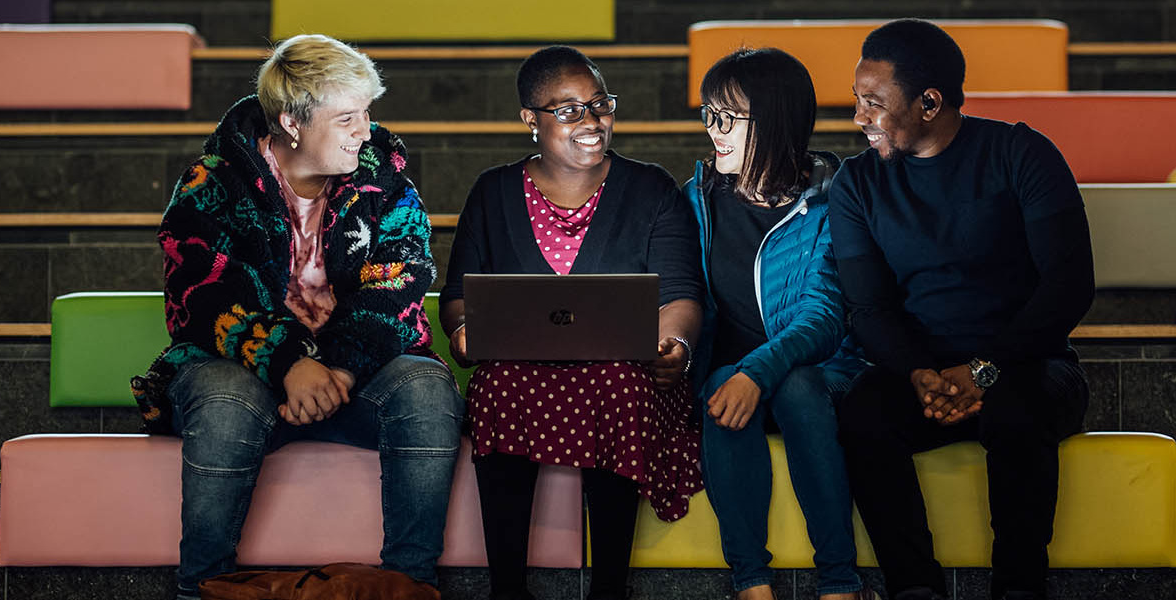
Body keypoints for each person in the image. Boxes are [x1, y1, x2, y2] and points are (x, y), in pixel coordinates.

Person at [130, 34, 463, 600]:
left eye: (367, 114)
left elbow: (399, 288)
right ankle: (201, 589)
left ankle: (412, 586)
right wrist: (289, 364)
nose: (365, 130)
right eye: (348, 118)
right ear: (292, 123)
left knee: (429, 388)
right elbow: (203, 295)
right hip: (244, 376)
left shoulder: (385, 184)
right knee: (227, 398)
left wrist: (338, 371)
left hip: (350, 379)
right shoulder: (212, 184)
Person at [827, 19, 1095, 600]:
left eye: (873, 104)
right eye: (857, 101)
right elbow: (869, 308)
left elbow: (1070, 286)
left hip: (1031, 365)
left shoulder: (1020, 153)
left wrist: (983, 370)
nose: (858, 119)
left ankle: (1019, 589)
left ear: (929, 102)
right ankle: (915, 589)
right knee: (864, 413)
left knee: (1015, 412)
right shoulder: (856, 183)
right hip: (923, 374)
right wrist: (920, 374)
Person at [439, 45, 704, 600]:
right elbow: (460, 297)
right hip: (521, 369)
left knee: (620, 383)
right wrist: (467, 333)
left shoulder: (651, 187)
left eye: (599, 104)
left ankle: (609, 588)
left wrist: (673, 344)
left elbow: (680, 295)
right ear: (529, 121)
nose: (591, 120)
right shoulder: (493, 191)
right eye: (567, 110)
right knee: (498, 385)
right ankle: (506, 589)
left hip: (628, 372)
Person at [683, 48, 872, 600]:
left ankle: (839, 582)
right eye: (708, 114)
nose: (713, 131)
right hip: (727, 382)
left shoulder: (833, 199)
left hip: (821, 377)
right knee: (719, 383)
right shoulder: (697, 198)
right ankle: (752, 584)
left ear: (776, 121)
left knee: (794, 381)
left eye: (729, 119)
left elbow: (824, 316)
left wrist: (757, 371)